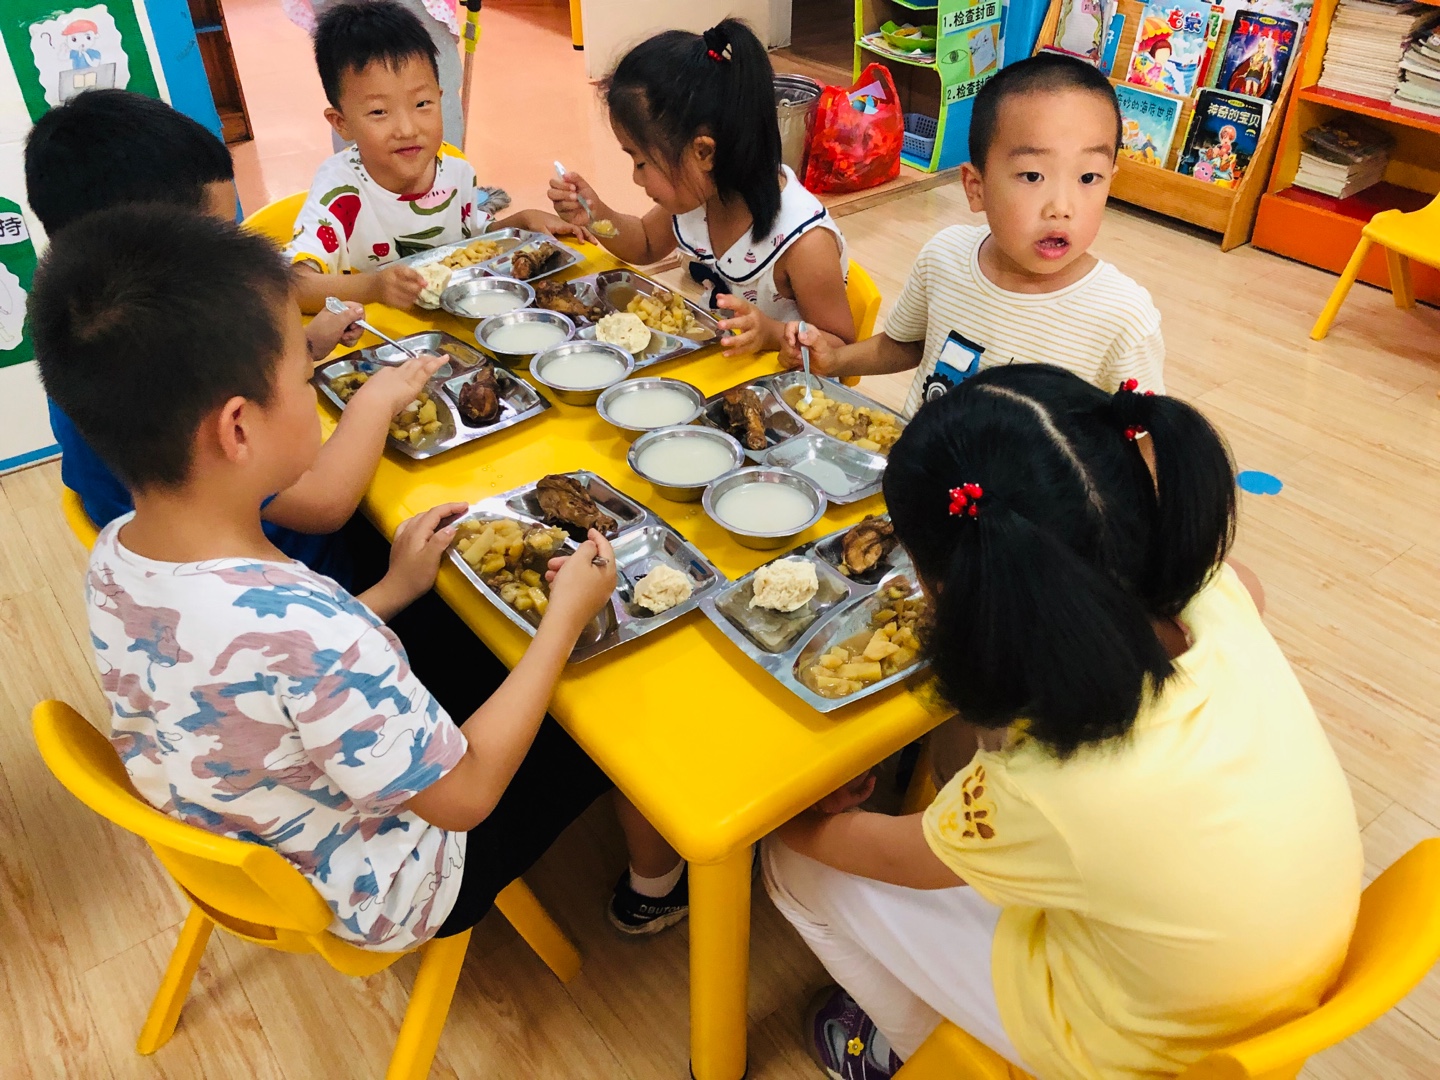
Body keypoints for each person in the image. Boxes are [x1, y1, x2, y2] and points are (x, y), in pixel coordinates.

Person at [31, 205, 689, 950]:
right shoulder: (311, 628)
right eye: (303, 374)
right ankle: (659, 888)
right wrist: (563, 624)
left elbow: (266, 673)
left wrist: (396, 589)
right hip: (394, 882)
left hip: (257, 822)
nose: (313, 383)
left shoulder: (119, 550)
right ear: (238, 428)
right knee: (608, 707)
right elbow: (466, 797)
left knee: (453, 619)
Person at [764, 364, 1363, 1080]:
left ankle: (912, 1050)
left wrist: (785, 819)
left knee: (793, 867)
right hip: (1285, 981)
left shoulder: (1048, 786)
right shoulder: (1219, 595)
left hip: (1150, 1052)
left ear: (945, 588)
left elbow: (900, 860)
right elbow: (1249, 590)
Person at [22, 87, 399, 588]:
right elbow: (326, 503)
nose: (233, 257)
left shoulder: (91, 339)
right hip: (292, 583)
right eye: (218, 237)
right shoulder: (168, 399)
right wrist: (378, 399)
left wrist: (305, 347)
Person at [783, 52, 1165, 418]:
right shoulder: (944, 257)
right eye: (1033, 175)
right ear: (975, 187)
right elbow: (908, 345)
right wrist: (834, 360)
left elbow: (1149, 438)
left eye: (1089, 177)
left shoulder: (1123, 318)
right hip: (920, 457)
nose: (1061, 207)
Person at [547, 19, 854, 358]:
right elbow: (645, 243)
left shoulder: (804, 244)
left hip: (781, 380)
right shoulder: (701, 196)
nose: (636, 178)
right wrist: (594, 213)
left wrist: (771, 333)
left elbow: (840, 348)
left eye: (641, 162)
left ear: (703, 153)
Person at [287, 0, 589, 313]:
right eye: (379, 112)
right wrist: (373, 288)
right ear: (342, 123)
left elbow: (471, 242)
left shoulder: (454, 168)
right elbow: (292, 288)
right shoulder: (339, 191)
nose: (407, 129)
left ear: (440, 98)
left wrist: (522, 222)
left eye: (422, 104)